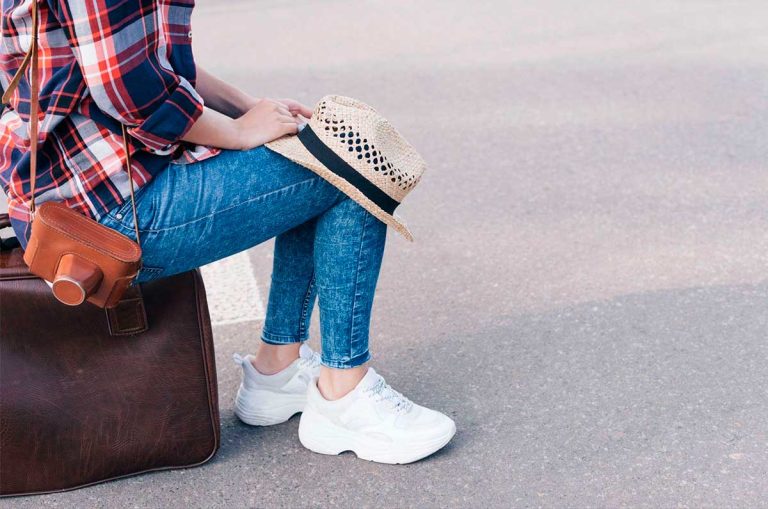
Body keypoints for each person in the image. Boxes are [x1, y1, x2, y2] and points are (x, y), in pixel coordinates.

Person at [0, 0, 455, 464]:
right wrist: (237, 131)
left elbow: (152, 60)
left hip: (76, 194)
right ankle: (343, 393)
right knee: (352, 157)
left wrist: (251, 109)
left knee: (311, 153)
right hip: (109, 218)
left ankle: (277, 371)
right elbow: (127, 88)